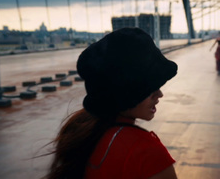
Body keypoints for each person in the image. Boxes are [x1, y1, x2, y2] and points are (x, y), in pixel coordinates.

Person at [47, 28, 178, 179]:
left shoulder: (85, 135)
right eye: (150, 88)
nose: (159, 94)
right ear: (126, 91)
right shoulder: (146, 151)